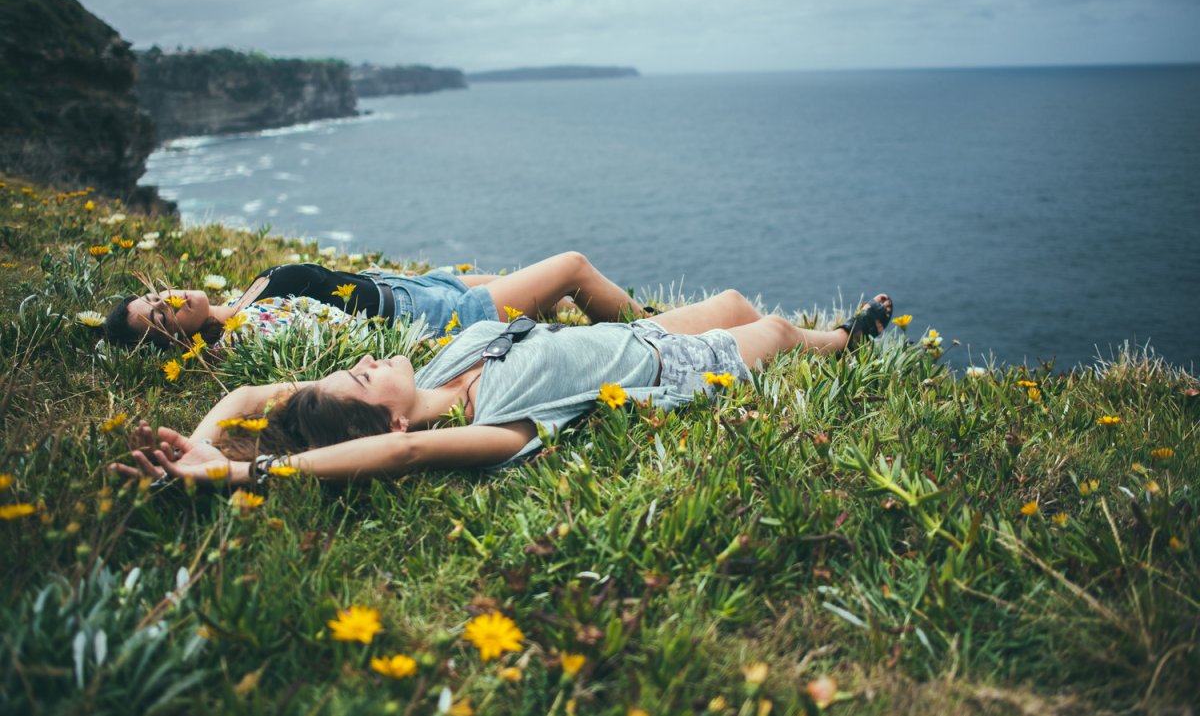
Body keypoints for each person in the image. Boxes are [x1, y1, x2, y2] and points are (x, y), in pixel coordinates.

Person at [113, 292, 893, 485]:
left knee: (730, 302)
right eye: (361, 375)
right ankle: (843, 344)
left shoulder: (447, 360)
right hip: (668, 369)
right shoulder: (489, 427)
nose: (371, 359)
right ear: (387, 416)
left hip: (637, 334)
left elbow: (256, 386)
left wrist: (209, 439)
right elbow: (398, 458)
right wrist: (251, 474)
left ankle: (805, 342)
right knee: (782, 329)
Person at [100, 251, 650, 348]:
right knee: (572, 269)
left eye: (156, 295)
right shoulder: (247, 332)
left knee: (548, 299)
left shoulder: (244, 300)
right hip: (434, 316)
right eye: (160, 315)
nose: (168, 299)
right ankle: (659, 331)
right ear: (175, 337)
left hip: (424, 287)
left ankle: (621, 320)